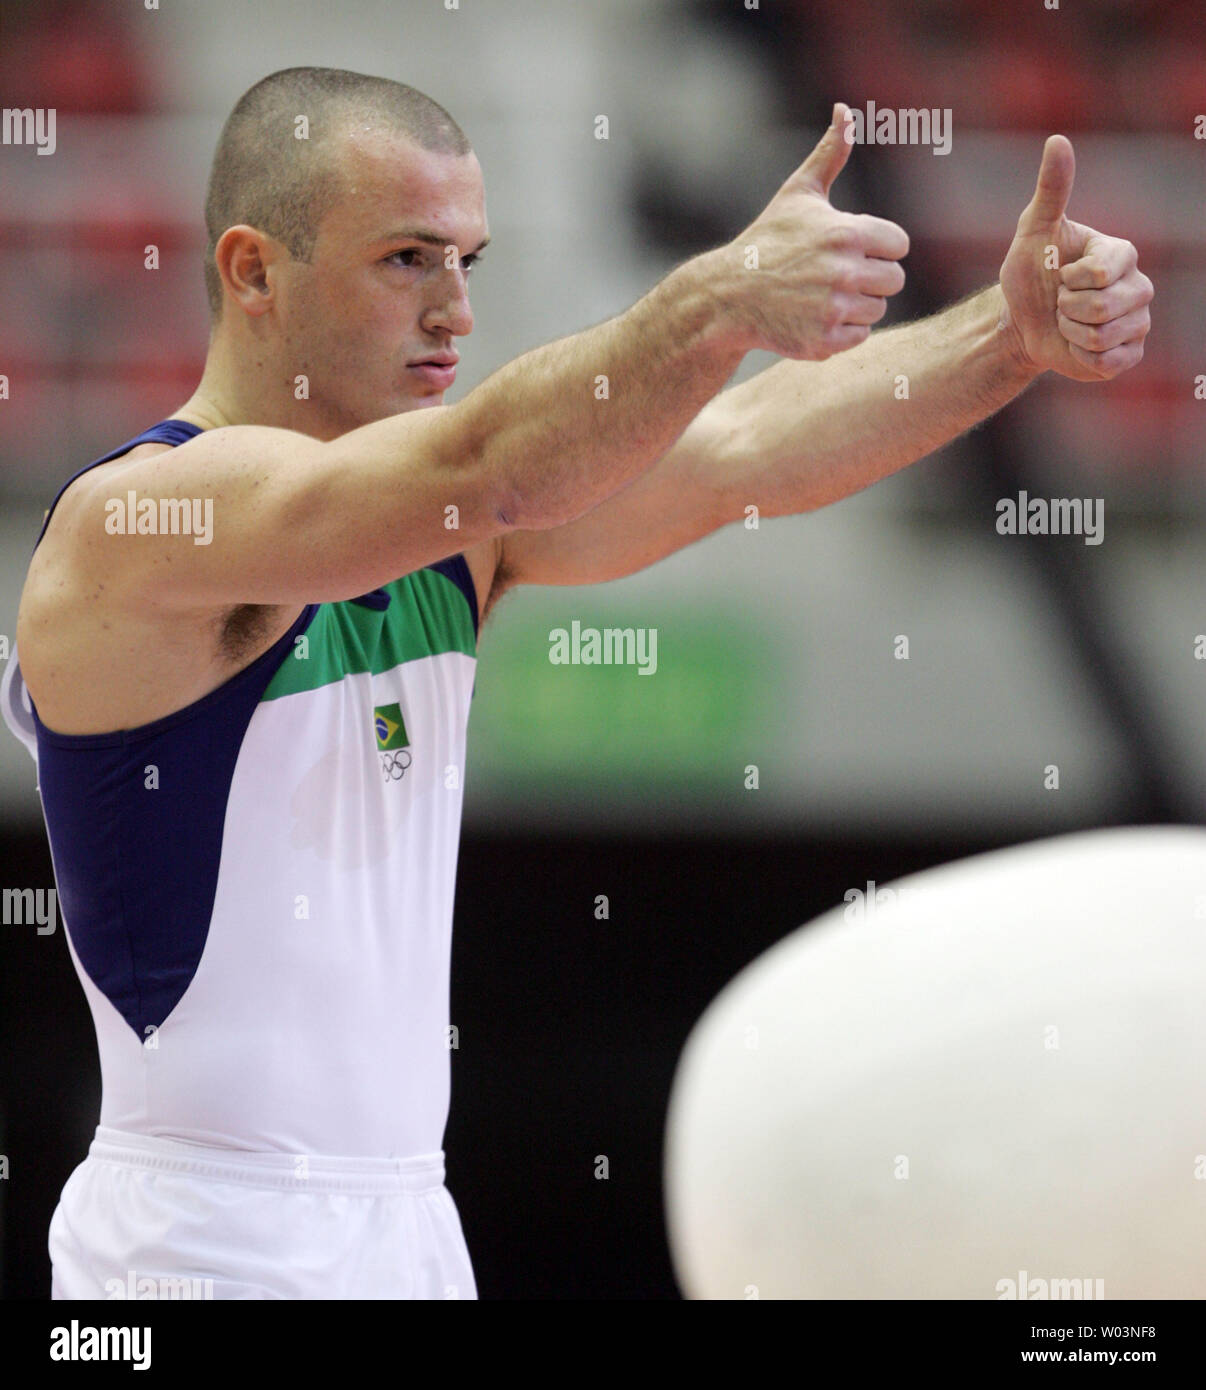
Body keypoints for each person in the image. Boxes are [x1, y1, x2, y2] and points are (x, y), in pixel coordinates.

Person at [0, 66, 1152, 1300]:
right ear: (251, 270)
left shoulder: (445, 539)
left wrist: (1008, 333)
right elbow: (489, 459)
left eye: (469, 263)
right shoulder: (135, 524)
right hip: (197, 1242)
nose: (454, 311)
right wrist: (720, 297)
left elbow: (747, 451)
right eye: (405, 260)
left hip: (409, 1229)